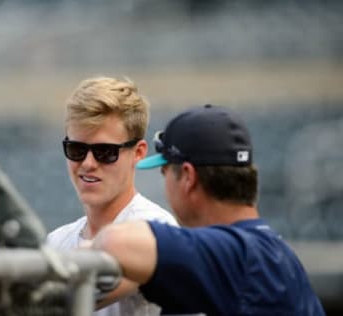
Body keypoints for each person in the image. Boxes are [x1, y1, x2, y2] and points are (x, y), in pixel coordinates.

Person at [92, 104, 326, 315]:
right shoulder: (272, 252)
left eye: (165, 173)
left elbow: (116, 242)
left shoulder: (240, 254)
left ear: (187, 177)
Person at [47, 76, 177, 316]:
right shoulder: (56, 241)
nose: (87, 164)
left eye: (104, 152)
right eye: (76, 149)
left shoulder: (156, 228)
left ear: (138, 153)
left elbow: (58, 302)